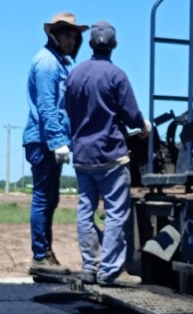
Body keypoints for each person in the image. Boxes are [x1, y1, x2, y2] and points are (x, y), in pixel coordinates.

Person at [64, 21, 149, 287]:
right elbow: (132, 115)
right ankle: (110, 271)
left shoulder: (74, 74)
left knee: (85, 210)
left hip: (82, 155)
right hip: (111, 155)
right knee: (115, 213)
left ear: (89, 43)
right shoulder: (116, 76)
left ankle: (90, 266)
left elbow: (68, 110)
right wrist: (143, 126)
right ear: (114, 45)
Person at [24, 11, 87, 276]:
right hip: (43, 140)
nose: (71, 40)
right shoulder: (48, 64)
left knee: (50, 198)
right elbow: (48, 106)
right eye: (66, 35)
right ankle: (40, 255)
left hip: (48, 140)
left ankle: (45, 253)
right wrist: (58, 141)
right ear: (55, 36)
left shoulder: (61, 63)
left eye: (74, 36)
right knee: (43, 197)